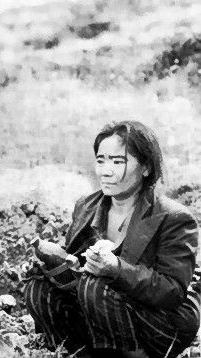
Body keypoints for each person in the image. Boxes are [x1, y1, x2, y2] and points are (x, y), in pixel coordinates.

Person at [24, 121, 200, 358]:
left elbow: (173, 291)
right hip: (103, 310)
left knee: (96, 285)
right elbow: (76, 263)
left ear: (146, 167)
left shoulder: (174, 218)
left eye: (118, 162)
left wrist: (117, 269)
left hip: (160, 323)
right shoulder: (86, 206)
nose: (105, 170)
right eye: (100, 160)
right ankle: (76, 353)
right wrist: (55, 268)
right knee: (38, 287)